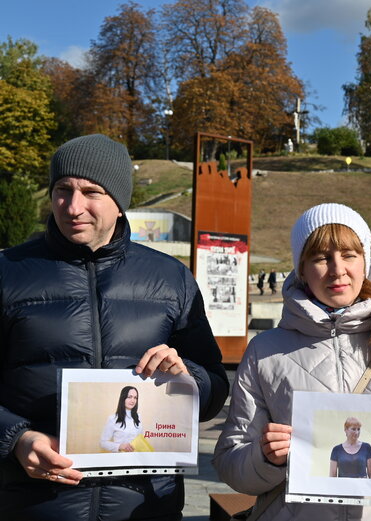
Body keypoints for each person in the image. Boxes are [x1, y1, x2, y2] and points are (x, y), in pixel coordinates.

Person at [0, 134, 229, 521]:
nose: (73, 207)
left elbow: (213, 393)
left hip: (145, 507)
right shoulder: (8, 272)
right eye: (62, 190)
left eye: (92, 192)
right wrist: (15, 439)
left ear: (120, 204)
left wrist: (187, 376)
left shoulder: (170, 278)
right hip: (34, 503)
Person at [214, 203, 371, 520]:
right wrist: (266, 459)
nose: (337, 269)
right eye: (321, 257)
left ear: (366, 263)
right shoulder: (265, 351)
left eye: (349, 255)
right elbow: (231, 463)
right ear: (301, 269)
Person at [100, 386, 143, 453]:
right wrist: (119, 446)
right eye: (129, 397)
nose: (133, 400)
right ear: (123, 398)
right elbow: (103, 443)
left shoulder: (138, 417)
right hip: (119, 458)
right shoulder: (113, 419)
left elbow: (140, 439)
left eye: (135, 398)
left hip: (135, 459)